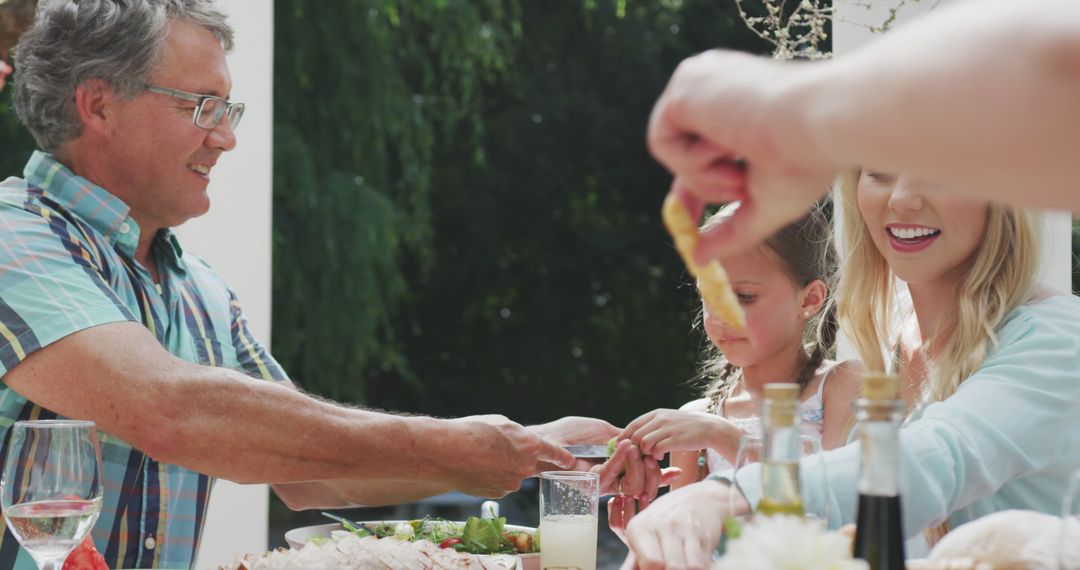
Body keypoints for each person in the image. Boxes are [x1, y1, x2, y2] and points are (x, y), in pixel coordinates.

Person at [0, 2, 641, 568]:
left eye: (229, 109)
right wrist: (460, 445)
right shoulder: (12, 238)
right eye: (203, 106)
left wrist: (527, 451)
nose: (225, 138)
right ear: (99, 103)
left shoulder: (198, 288)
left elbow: (306, 472)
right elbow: (170, 410)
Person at [619, 171, 1080, 570]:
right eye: (879, 170)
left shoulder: (1057, 339)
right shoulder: (895, 337)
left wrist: (722, 494)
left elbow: (936, 457)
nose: (901, 198)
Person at [646, 0, 1080, 264]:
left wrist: (792, 113)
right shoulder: (886, 349)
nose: (902, 198)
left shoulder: (1048, 341)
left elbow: (1061, 71)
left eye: (936, 168)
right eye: (878, 171)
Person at [613, 204, 861, 486]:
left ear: (809, 299)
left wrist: (723, 437)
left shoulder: (841, 385)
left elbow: (834, 502)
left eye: (744, 296)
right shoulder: (698, 418)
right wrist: (637, 520)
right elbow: (692, 528)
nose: (720, 316)